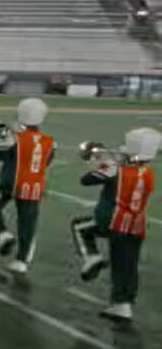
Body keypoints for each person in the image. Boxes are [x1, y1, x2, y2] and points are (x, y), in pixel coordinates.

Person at [73, 128, 158, 325]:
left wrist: (96, 161)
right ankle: (123, 304)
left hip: (113, 221)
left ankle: (91, 257)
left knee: (80, 228)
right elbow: (129, 171)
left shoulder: (115, 169)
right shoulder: (148, 173)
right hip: (136, 226)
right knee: (127, 265)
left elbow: (86, 180)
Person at [0, 98, 55, 274]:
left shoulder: (15, 138)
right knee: (28, 223)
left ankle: (2, 234)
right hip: (33, 186)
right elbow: (47, 161)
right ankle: (22, 260)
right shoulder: (50, 141)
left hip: (11, 182)